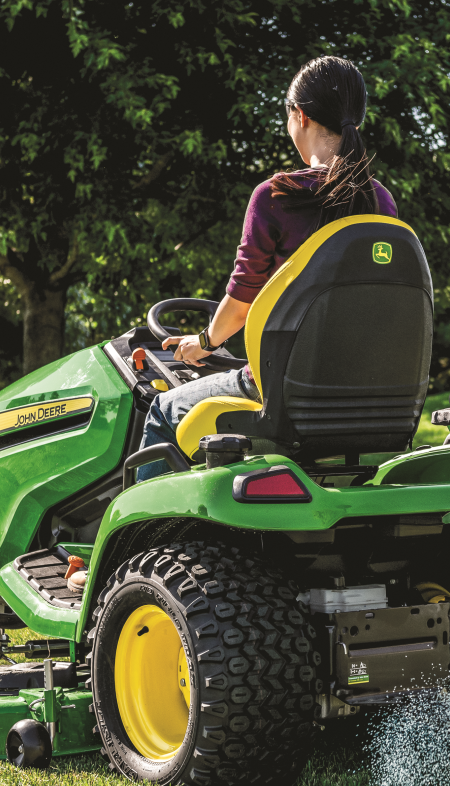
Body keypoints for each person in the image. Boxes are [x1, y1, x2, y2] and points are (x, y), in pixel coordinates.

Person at [136, 55, 398, 481]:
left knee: (163, 409)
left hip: (283, 388)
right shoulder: (380, 202)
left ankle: (141, 540)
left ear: (300, 115)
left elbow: (240, 308)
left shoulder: (277, 196)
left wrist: (203, 342)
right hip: (363, 387)